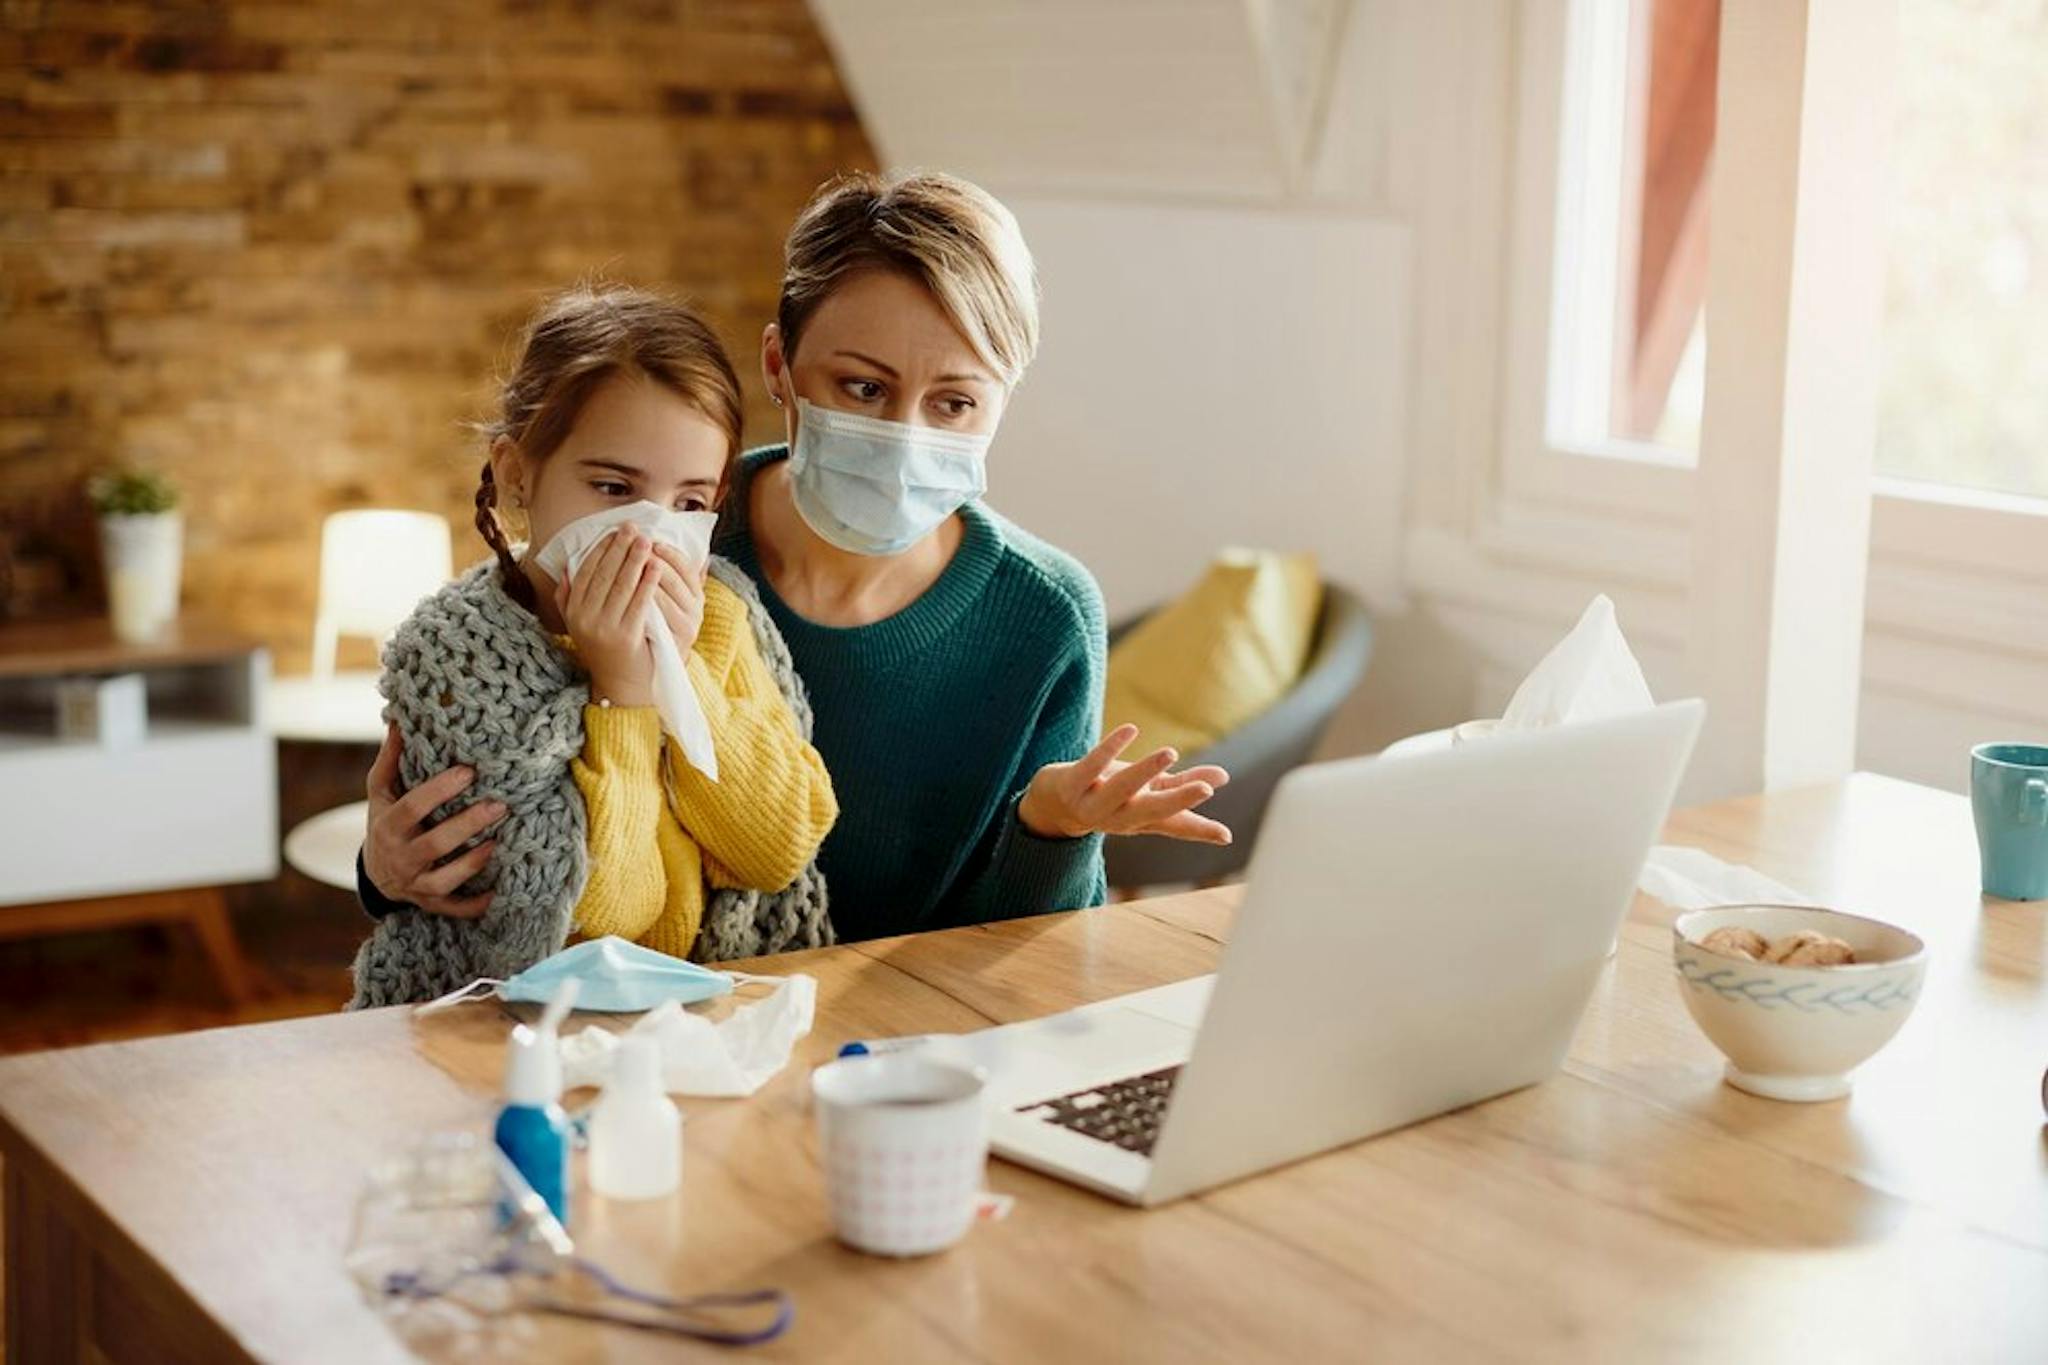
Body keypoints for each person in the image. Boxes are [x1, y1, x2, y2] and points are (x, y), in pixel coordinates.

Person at [363, 172, 1227, 944]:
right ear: (779, 364)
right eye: (863, 386)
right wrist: (382, 870)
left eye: (955, 402)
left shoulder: (1042, 615)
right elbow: (507, 850)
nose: (903, 435)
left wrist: (1049, 832)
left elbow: (1018, 962)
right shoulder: (664, 527)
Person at [349, 286, 837, 1006]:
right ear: (518, 472)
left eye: (690, 503)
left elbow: (780, 847)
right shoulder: (457, 657)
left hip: (712, 1019)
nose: (648, 532)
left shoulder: (723, 613)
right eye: (613, 487)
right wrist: (625, 696)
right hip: (504, 1035)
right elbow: (598, 928)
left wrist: (684, 668)